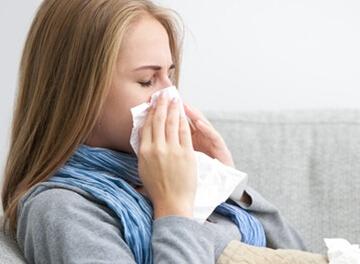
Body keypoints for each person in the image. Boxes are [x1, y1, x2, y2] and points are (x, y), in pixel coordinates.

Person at [1, 0, 306, 263]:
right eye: (147, 80)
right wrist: (173, 208)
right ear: (78, 94)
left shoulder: (169, 177)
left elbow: (300, 255)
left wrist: (228, 183)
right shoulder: (62, 209)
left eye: (170, 76)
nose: (170, 96)